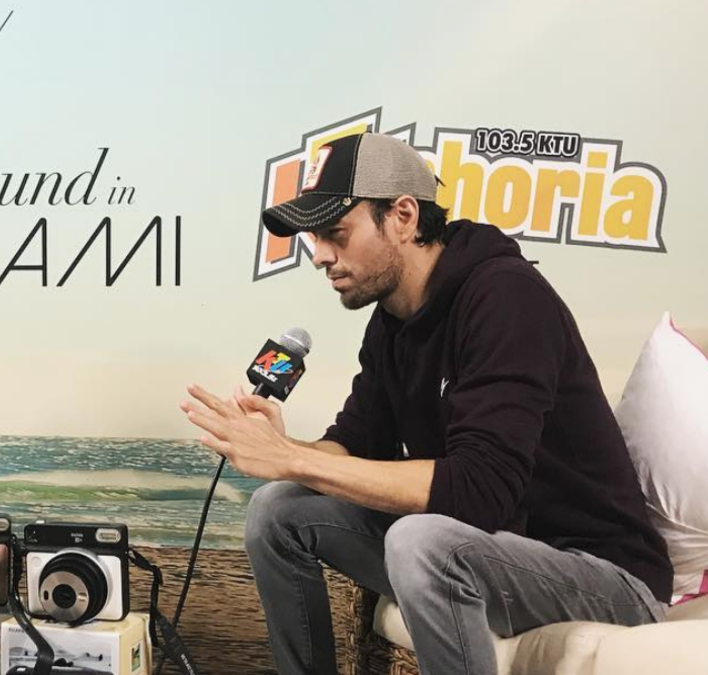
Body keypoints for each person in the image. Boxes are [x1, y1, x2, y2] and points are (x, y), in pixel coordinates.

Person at [181, 132, 672, 675]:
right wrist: (281, 448)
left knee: (421, 540)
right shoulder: (391, 319)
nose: (319, 255)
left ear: (403, 216)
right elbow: (356, 445)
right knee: (277, 509)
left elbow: (479, 493)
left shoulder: (507, 298)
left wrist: (295, 459)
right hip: (490, 553)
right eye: (314, 238)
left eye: (335, 232)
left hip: (602, 576)